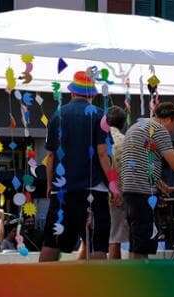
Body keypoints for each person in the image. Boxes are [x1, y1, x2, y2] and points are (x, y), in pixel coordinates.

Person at [40, 70, 119, 262]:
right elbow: (102, 154)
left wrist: (50, 185)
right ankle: (96, 288)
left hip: (62, 189)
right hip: (94, 190)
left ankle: (40, 285)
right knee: (96, 243)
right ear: (91, 95)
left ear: (72, 93)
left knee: (51, 242)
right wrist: (114, 186)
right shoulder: (100, 116)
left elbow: (50, 157)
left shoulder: (57, 116)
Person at [120, 102, 174, 259]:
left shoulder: (138, 126)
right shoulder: (159, 130)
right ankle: (139, 277)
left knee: (137, 238)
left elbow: (143, 163)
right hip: (142, 190)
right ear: (167, 119)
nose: (173, 131)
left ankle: (134, 274)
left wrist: (161, 185)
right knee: (143, 241)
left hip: (130, 190)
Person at [105, 105, 129, 260]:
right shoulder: (126, 141)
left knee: (90, 241)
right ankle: (114, 275)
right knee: (115, 238)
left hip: (98, 192)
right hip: (119, 194)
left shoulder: (100, 140)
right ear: (123, 123)